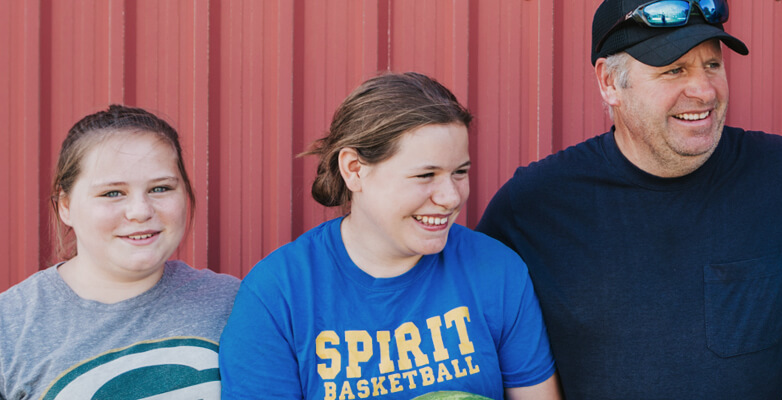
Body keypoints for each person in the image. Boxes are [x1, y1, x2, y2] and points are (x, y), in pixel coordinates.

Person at [473, 0, 782, 397]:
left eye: (712, 65)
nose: (703, 90)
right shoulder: (533, 207)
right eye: (674, 70)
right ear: (609, 83)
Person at [219, 72, 560, 399]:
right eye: (425, 175)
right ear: (354, 169)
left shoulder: (497, 270)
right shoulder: (278, 294)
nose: (451, 197)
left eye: (459, 172)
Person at [0, 105, 241, 399]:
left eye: (160, 188)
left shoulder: (236, 305)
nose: (140, 210)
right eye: (112, 193)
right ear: (65, 206)